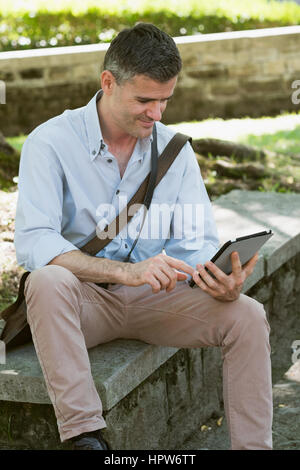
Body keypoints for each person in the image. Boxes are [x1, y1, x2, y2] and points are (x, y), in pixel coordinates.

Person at [14, 23, 272, 450]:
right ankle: (85, 438)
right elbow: (35, 243)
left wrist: (222, 282)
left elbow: (197, 246)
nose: (157, 114)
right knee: (45, 279)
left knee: (247, 314)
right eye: (145, 100)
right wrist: (126, 272)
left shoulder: (175, 151)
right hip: (82, 301)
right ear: (108, 83)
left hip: (156, 299)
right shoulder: (50, 143)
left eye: (165, 100)